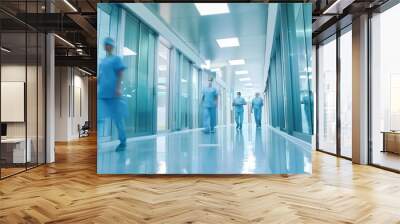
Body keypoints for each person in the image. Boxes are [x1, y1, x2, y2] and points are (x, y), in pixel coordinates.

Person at [98, 37, 128, 150]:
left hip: (114, 94)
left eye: (108, 44)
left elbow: (120, 73)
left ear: (111, 46)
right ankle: (98, 142)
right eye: (105, 44)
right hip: (103, 94)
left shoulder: (116, 59)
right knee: (99, 118)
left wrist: (118, 88)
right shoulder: (103, 61)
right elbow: (101, 76)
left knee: (118, 119)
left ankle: (123, 141)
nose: (107, 46)